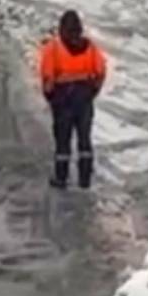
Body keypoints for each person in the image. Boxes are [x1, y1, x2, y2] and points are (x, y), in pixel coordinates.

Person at [39, 10, 107, 189]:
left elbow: (48, 77)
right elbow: (101, 71)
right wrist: (93, 91)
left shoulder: (53, 48)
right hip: (84, 98)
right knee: (85, 139)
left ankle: (61, 178)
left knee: (63, 141)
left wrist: (50, 96)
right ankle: (85, 179)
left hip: (63, 99)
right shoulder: (90, 47)